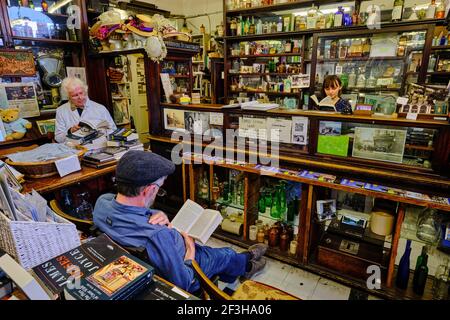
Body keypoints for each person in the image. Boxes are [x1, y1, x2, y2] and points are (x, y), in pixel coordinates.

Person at [93, 150, 268, 294]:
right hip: (182, 261)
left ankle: (244, 264)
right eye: (159, 189)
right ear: (150, 189)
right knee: (225, 255)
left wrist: (156, 212)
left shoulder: (102, 203)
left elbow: (129, 209)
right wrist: (190, 251)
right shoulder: (158, 235)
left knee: (219, 255)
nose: (158, 193)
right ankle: (248, 262)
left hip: (152, 257)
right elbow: (185, 284)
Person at [55, 77, 116, 143]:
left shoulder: (100, 108)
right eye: (75, 95)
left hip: (98, 147)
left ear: (85, 91)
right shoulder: (61, 111)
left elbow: (113, 130)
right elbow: (58, 138)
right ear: (68, 97)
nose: (80, 97)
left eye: (81, 93)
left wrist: (101, 133)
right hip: (74, 150)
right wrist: (70, 131)